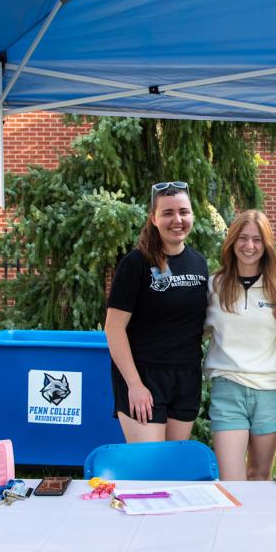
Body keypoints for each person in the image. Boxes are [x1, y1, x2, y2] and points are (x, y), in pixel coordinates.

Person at [105, 181, 209, 443]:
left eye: (183, 212)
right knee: (149, 463)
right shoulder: (135, 264)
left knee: (172, 463)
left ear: (192, 215)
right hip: (144, 378)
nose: (177, 220)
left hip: (186, 379)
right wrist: (134, 385)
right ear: (153, 218)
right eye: (168, 213)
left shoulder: (199, 263)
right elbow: (114, 328)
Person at [204, 210, 276, 480]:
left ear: (266, 245)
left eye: (257, 239)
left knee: (259, 476)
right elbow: (197, 330)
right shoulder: (215, 285)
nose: (249, 246)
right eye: (243, 238)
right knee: (232, 480)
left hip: (270, 390)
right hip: (228, 387)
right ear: (232, 241)